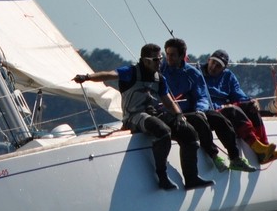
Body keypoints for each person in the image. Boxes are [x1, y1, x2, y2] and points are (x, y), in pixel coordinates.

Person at [74, 43, 212, 190]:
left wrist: (178, 115)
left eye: (160, 58)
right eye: (156, 60)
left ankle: (191, 178)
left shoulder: (160, 78)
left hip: (153, 113)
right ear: (145, 61)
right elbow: (109, 75)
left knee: (189, 132)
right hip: (133, 116)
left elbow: (168, 101)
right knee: (163, 131)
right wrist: (87, 77)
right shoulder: (131, 72)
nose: (160, 62)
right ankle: (162, 176)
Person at [160, 37, 254, 174]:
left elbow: (202, 96)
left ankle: (235, 158)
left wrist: (200, 109)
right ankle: (214, 156)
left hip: (191, 111)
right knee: (199, 120)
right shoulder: (160, 70)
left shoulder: (192, 73)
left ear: (182, 56)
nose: (168, 58)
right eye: (167, 54)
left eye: (172, 55)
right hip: (172, 114)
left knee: (219, 118)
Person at [201, 49, 277, 163]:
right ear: (208, 60)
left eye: (218, 65)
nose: (214, 67)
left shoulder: (228, 76)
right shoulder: (198, 73)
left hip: (224, 109)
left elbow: (238, 94)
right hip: (209, 111)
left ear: (224, 68)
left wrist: (251, 102)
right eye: (213, 62)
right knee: (232, 110)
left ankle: (265, 148)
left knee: (250, 106)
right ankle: (257, 148)